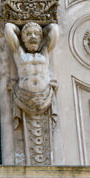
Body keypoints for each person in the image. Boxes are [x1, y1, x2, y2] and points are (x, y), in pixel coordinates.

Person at [4, 21, 59, 164]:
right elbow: (8, 29)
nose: (33, 37)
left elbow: (54, 30)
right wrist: (18, 29)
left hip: (44, 96)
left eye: (36, 34)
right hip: (24, 96)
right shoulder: (20, 54)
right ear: (22, 38)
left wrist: (44, 29)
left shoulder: (45, 53)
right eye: (28, 34)